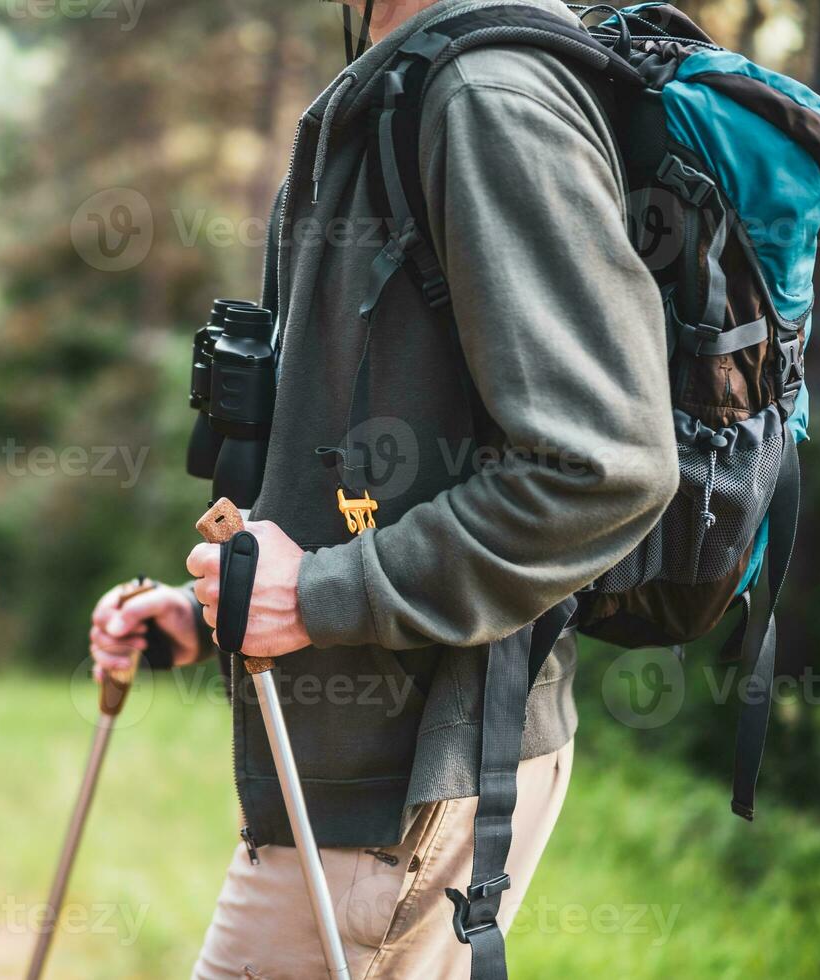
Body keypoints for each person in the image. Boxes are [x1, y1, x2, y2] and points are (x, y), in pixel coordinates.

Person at [90, 0, 680, 975]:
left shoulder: (487, 97)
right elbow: (374, 445)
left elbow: (605, 464)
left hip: (408, 787)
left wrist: (321, 594)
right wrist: (222, 606)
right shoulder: (400, 86)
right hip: (363, 774)